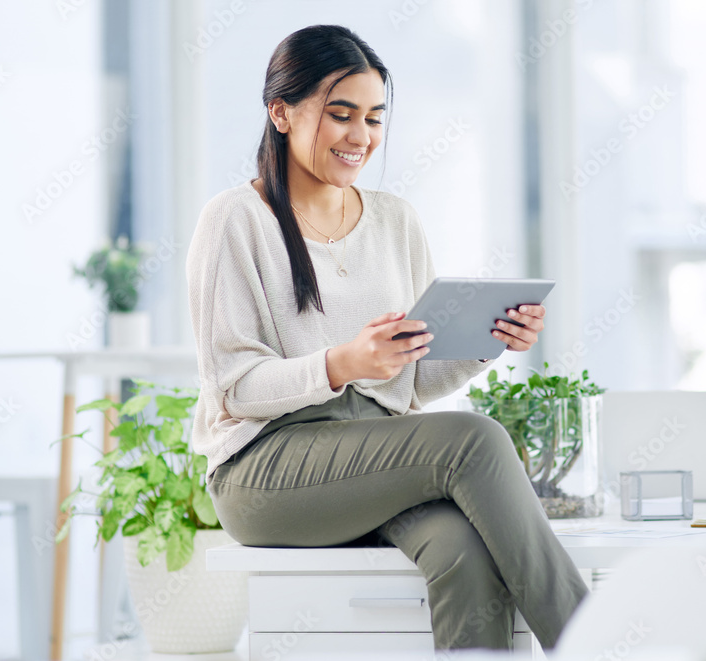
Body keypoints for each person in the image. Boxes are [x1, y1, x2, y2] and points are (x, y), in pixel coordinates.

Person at [185, 24, 588, 652]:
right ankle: (595, 645)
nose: (360, 137)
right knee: (474, 437)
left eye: (375, 118)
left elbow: (414, 379)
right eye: (341, 115)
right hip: (264, 468)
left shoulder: (396, 220)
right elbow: (232, 388)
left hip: (373, 457)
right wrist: (341, 363)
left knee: (462, 548)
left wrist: (489, 341)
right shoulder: (236, 220)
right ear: (281, 112)